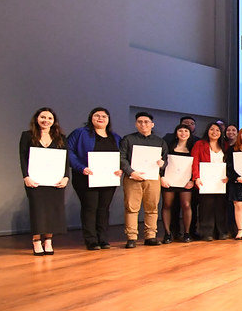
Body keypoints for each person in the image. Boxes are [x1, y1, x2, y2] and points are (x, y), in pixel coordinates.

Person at [67, 107, 124, 250]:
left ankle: (103, 239)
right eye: (97, 115)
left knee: (104, 209)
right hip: (85, 177)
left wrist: (120, 168)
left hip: (108, 179)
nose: (100, 118)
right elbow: (69, 152)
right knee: (90, 208)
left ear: (108, 119)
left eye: (104, 116)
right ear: (91, 118)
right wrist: (81, 167)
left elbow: (122, 157)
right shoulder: (80, 133)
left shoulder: (115, 137)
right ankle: (91, 240)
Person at [20, 107, 69, 255]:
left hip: (55, 181)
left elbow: (66, 159)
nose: (46, 121)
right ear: (37, 118)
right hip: (35, 180)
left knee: (53, 210)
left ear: (54, 121)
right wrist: (26, 176)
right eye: (43, 117)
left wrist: (66, 177)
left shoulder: (60, 137)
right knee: (38, 210)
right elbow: (22, 157)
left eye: (49, 118)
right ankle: (36, 241)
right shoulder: (27, 136)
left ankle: (48, 240)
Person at [119, 112, 169, 248]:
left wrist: (161, 163)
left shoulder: (160, 142)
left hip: (153, 178)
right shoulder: (128, 139)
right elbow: (122, 158)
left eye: (146, 122)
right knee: (131, 207)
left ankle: (150, 236)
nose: (143, 124)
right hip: (132, 178)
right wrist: (131, 172)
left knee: (152, 208)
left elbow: (166, 160)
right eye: (140, 122)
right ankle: (131, 237)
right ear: (136, 124)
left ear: (152, 124)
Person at [191, 122, 229, 241]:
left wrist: (228, 176)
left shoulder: (225, 146)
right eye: (212, 129)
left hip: (221, 182)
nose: (214, 132)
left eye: (217, 130)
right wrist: (196, 177)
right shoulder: (200, 144)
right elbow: (195, 161)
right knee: (206, 207)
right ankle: (207, 232)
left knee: (221, 207)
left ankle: (221, 232)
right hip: (205, 181)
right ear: (207, 131)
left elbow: (230, 163)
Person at [160, 123, 195, 243]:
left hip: (186, 182)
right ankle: (167, 234)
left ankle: (187, 233)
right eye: (180, 131)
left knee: (186, 205)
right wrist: (162, 177)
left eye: (186, 131)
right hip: (169, 181)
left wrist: (192, 180)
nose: (183, 133)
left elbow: (195, 166)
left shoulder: (193, 148)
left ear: (190, 134)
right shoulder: (168, 147)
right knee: (167, 205)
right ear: (176, 133)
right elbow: (162, 163)